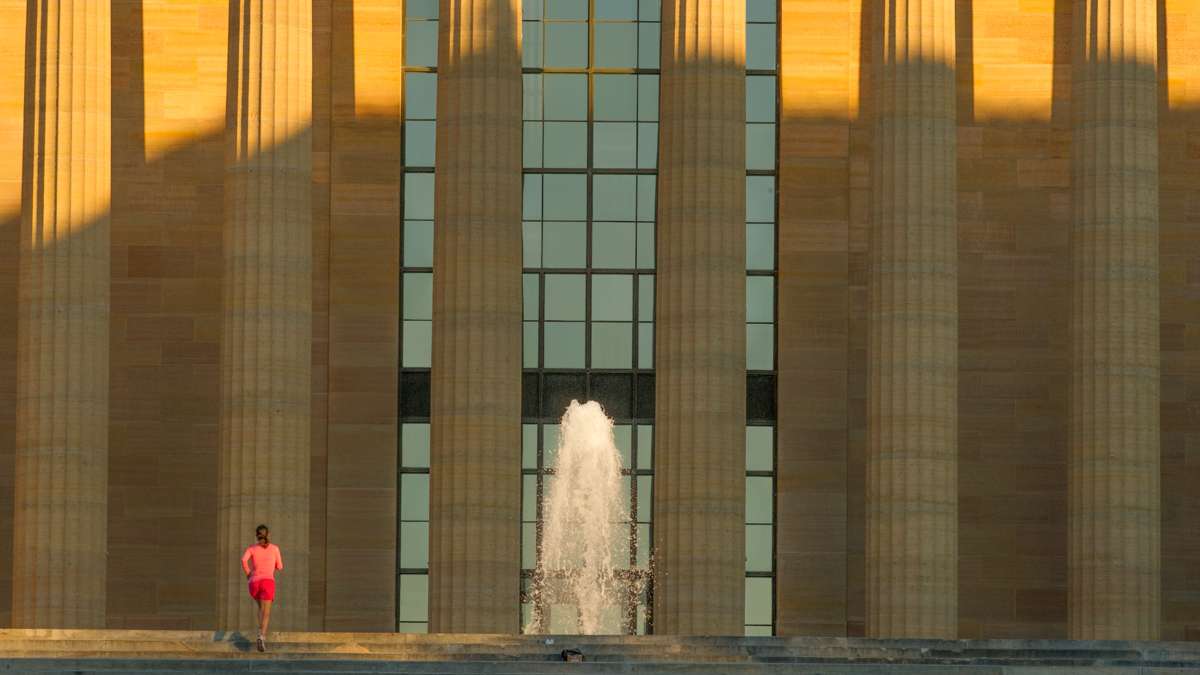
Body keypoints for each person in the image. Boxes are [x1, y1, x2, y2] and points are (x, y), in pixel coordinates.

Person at [241, 524, 283, 652]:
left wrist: (248, 573)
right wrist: (271, 566)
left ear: (257, 535)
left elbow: (243, 560)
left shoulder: (252, 548)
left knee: (260, 607)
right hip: (267, 582)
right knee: (267, 612)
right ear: (268, 534)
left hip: (254, 582)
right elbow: (280, 566)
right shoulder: (275, 548)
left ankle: (260, 631)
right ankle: (261, 636)